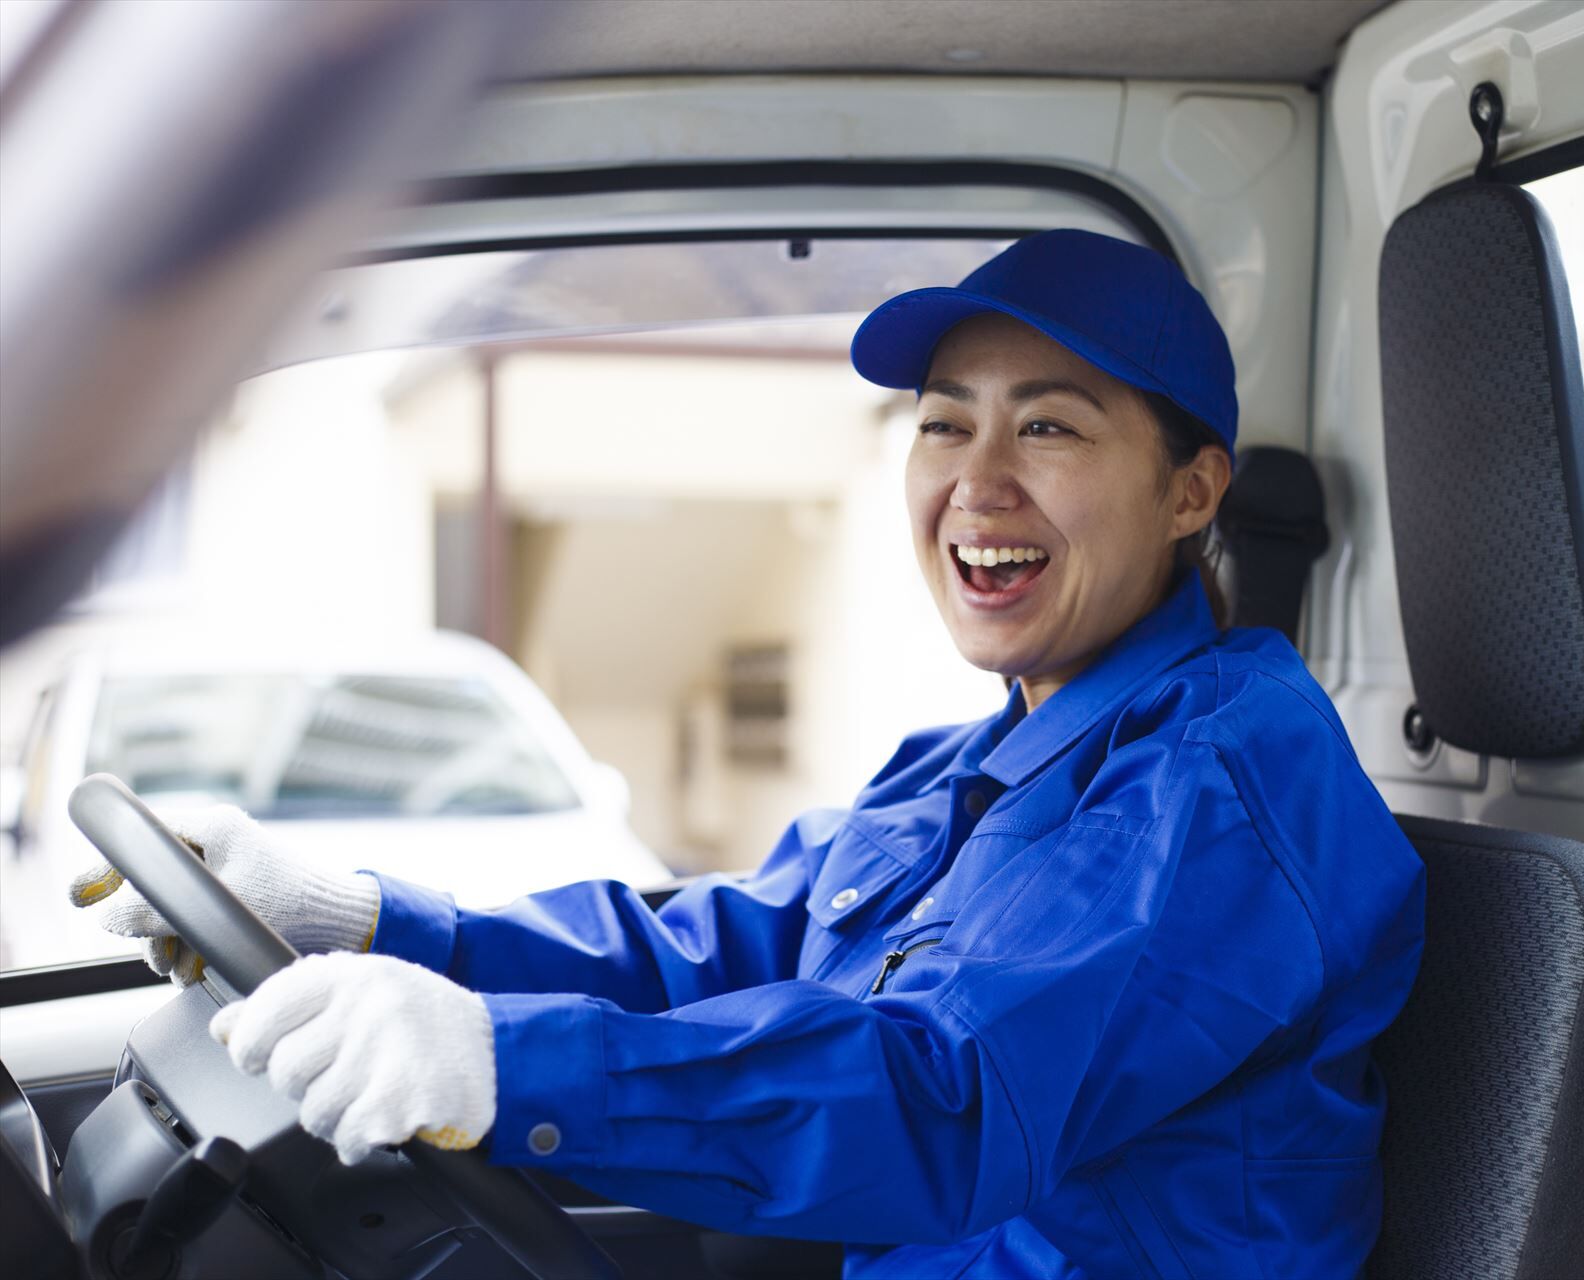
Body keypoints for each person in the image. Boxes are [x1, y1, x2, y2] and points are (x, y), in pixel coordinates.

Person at [70, 229, 1425, 1279]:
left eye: (1052, 426)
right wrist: (360, 918)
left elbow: (943, 1102)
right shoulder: (968, 763)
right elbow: (715, 956)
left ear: (1192, 492)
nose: (978, 480)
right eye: (946, 422)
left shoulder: (1221, 792)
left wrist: (502, 1064)